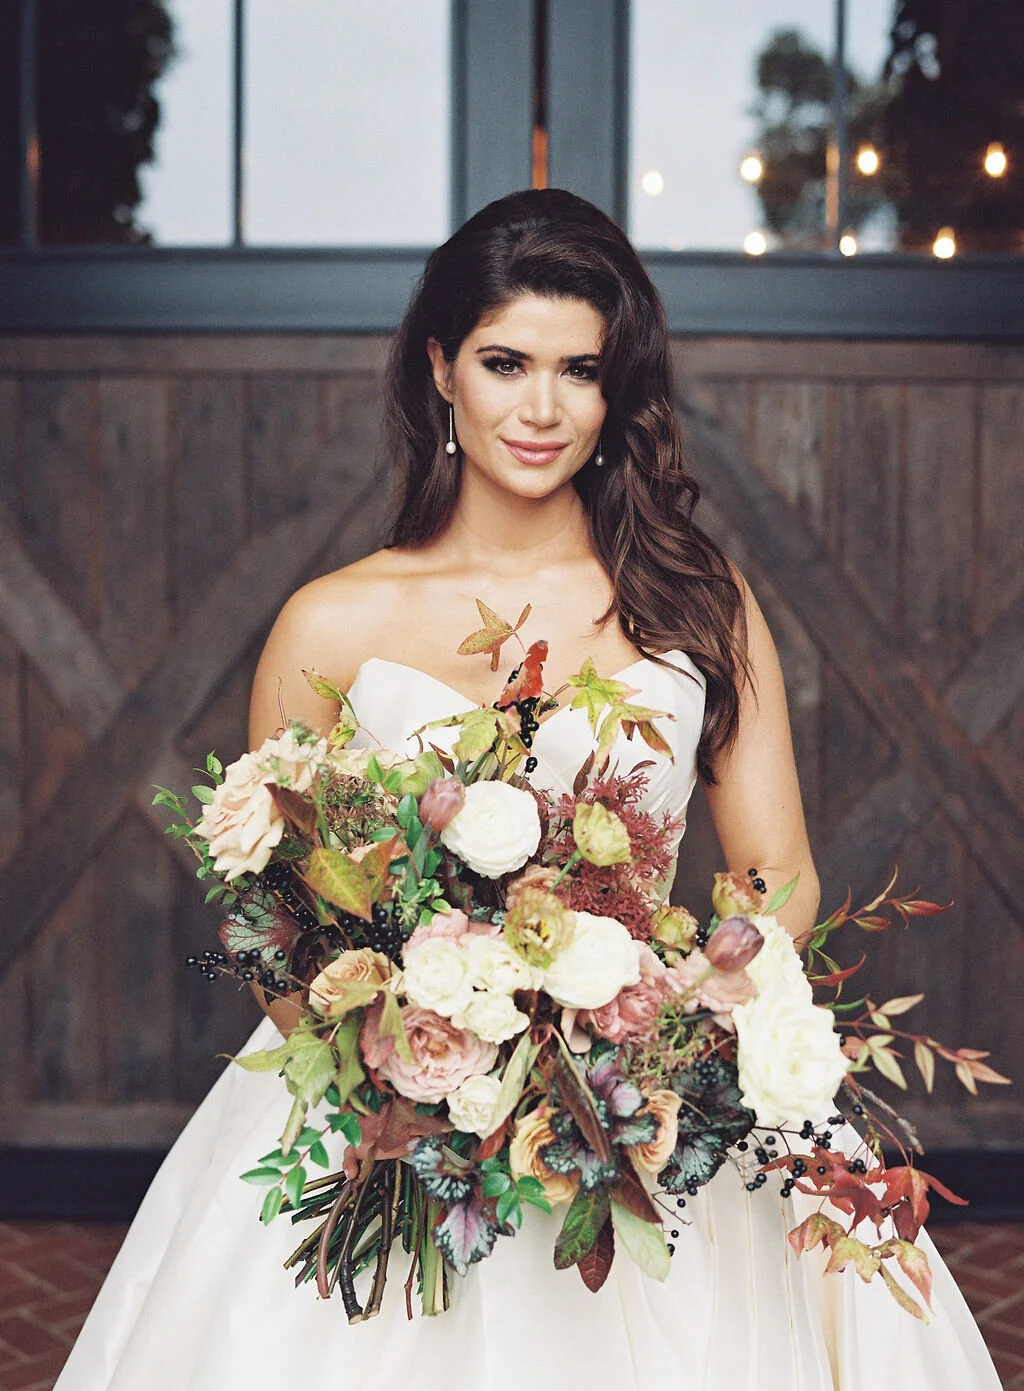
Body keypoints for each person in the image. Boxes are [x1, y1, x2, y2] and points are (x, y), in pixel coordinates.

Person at [55, 189, 999, 1390]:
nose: (543, 408)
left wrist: (678, 1032)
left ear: (618, 393)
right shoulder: (331, 622)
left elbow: (779, 869)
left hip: (648, 1095)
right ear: (442, 368)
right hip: (391, 1116)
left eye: (581, 370)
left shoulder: (695, 601)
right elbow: (274, 922)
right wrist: (407, 1074)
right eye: (507, 362)